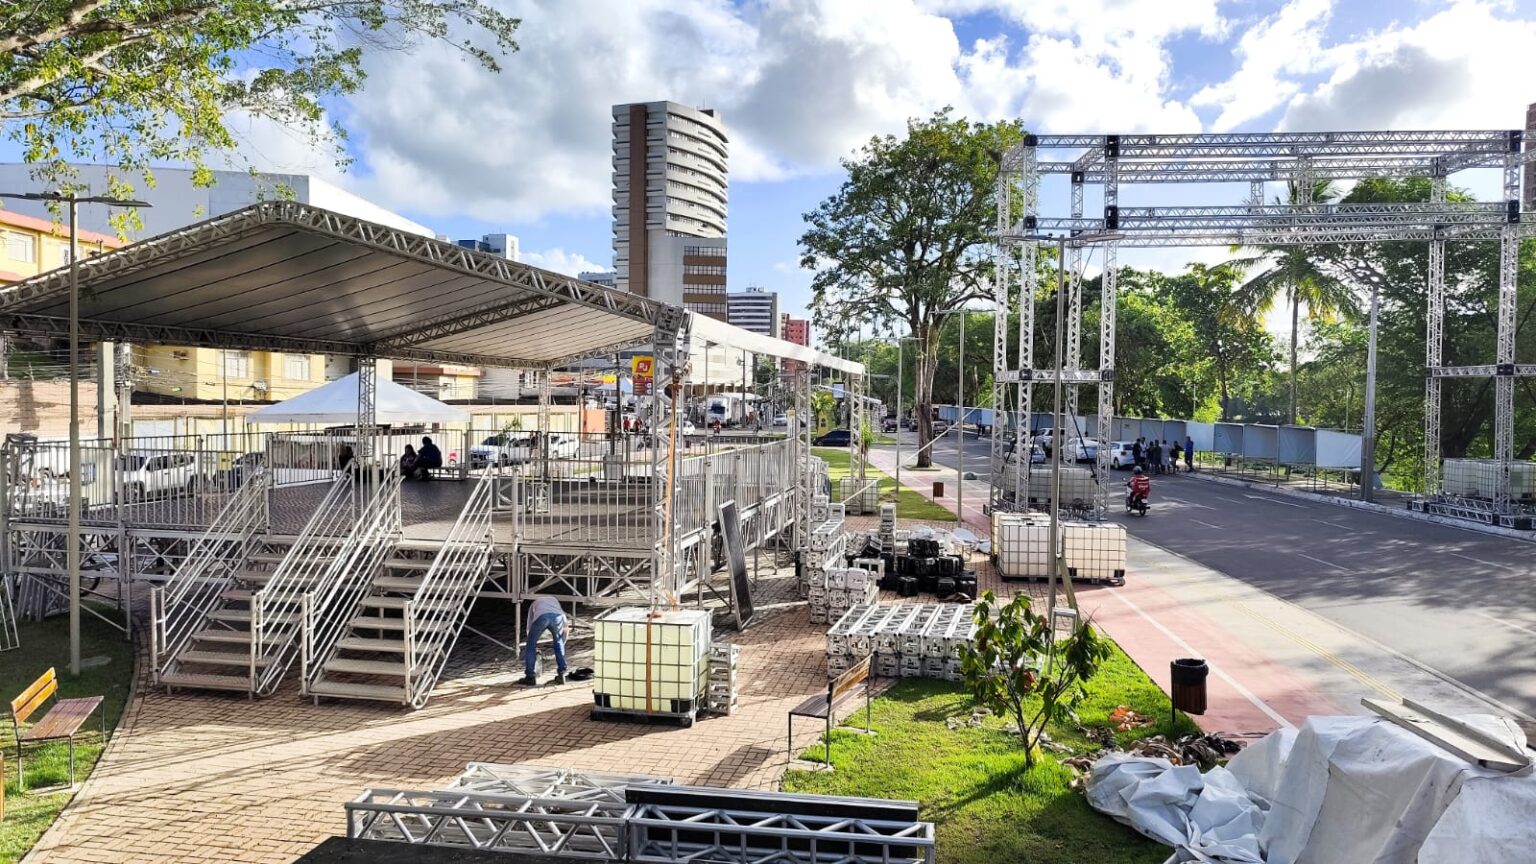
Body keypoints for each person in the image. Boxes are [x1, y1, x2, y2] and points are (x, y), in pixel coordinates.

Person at [521, 594, 567, 686]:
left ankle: (530, 677)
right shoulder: (556, 603)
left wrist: (531, 641)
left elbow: (529, 626)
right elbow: (566, 626)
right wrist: (562, 642)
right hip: (556, 617)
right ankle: (562, 674)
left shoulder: (533, 604)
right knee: (558, 642)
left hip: (542, 617)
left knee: (531, 645)